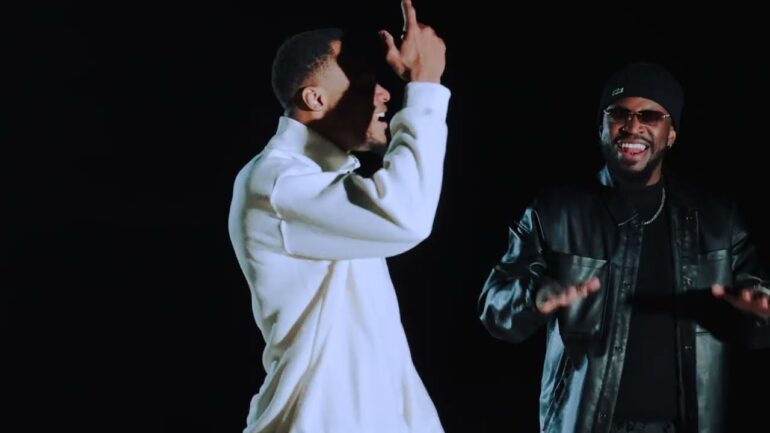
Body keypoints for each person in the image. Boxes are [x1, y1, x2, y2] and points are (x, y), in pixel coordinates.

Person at [478, 62, 770, 433]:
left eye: (650, 116)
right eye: (619, 114)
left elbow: (757, 315)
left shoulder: (718, 219)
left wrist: (761, 314)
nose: (633, 127)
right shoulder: (555, 212)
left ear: (671, 134)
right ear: (601, 127)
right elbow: (494, 308)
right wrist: (534, 298)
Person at [227, 1, 449, 432]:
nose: (384, 94)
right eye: (364, 83)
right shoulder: (277, 183)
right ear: (314, 98)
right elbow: (407, 217)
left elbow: (378, 350)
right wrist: (425, 87)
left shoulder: (324, 184)